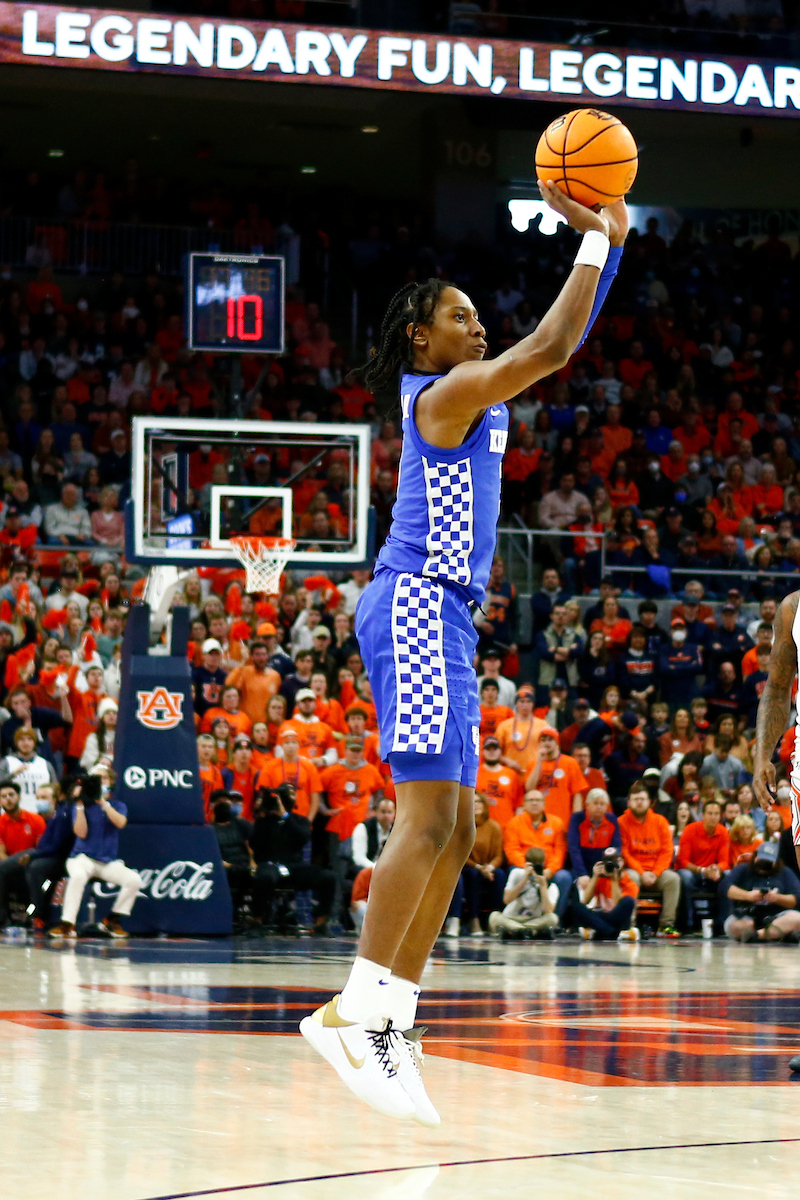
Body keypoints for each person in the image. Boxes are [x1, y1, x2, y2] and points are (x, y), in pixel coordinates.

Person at [299, 187, 628, 1126]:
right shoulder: (441, 398)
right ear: (419, 340)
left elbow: (552, 348)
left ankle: (391, 1011)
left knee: (458, 820)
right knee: (428, 815)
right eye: (458, 315)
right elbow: (552, 349)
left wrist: (607, 253)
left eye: (478, 314)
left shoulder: (470, 386)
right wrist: (597, 248)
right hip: (413, 601)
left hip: (443, 614)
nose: (477, 324)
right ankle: (355, 1009)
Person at [47, 774, 142, 939]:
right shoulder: (81, 806)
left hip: (107, 861)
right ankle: (67, 924)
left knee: (133, 879)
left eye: (105, 779)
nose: (102, 782)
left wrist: (103, 804)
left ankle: (112, 919)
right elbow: (81, 833)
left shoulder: (117, 805)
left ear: (111, 783)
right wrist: (80, 805)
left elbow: (120, 823)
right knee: (77, 877)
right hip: (82, 858)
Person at [250, 785, 336, 936]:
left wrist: (285, 817)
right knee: (264, 878)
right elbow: (255, 844)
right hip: (270, 864)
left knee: (328, 877)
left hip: (294, 866)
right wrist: (261, 813)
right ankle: (257, 921)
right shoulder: (264, 822)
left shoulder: (300, 821)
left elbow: (302, 838)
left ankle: (321, 923)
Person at [618, 782, 681, 938]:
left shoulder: (660, 821)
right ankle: (629, 925)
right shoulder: (621, 822)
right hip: (635, 870)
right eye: (635, 799)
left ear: (650, 802)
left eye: (642, 799)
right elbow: (624, 852)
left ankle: (666, 926)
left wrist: (655, 872)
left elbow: (667, 851)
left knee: (673, 879)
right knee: (630, 877)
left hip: (656, 871)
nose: (639, 802)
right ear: (629, 802)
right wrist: (641, 872)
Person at [445, 793, 505, 937]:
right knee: (472, 875)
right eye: (473, 802)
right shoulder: (461, 826)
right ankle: (474, 919)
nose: (476, 804)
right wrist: (478, 867)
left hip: (488, 867)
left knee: (501, 874)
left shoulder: (494, 826)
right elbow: (459, 853)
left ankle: (494, 919)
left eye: (479, 802)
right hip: (468, 867)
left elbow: (498, 855)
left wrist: (490, 867)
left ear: (484, 805)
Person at [725, 840, 800, 943]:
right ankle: (778, 935)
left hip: (777, 917)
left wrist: (777, 898)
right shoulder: (743, 869)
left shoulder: (785, 872)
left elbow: (795, 899)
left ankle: (758, 936)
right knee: (735, 926)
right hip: (747, 916)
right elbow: (727, 888)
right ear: (755, 857)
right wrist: (748, 895)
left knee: (796, 918)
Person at [676, 798, 730, 932]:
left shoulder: (723, 832)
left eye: (716, 814)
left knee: (728, 875)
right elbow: (683, 861)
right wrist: (702, 870)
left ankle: (722, 924)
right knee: (685, 876)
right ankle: (688, 923)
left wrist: (717, 869)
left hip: (712, 873)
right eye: (710, 813)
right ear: (703, 815)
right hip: (694, 872)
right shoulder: (690, 830)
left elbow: (725, 861)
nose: (713, 817)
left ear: (720, 816)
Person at [0, 780, 46, 930]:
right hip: (10, 869)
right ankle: (3, 919)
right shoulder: (0, 822)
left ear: (19, 797)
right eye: (3, 796)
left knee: (32, 856)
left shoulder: (35, 820)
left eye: (11, 795)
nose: (8, 799)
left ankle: (33, 916)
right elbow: (1, 852)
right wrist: (13, 864)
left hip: (32, 866)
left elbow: (41, 850)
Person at [487, 845, 558, 940]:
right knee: (494, 916)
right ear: (526, 863)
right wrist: (524, 880)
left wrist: (543, 887)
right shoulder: (516, 873)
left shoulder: (550, 886)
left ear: (543, 865)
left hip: (534, 920)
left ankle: (516, 930)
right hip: (512, 918)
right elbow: (506, 900)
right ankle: (530, 931)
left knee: (553, 918)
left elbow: (548, 911)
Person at [524, 725, 587, 827]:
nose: (546, 743)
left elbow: (577, 795)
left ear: (557, 743)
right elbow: (529, 789)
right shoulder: (533, 764)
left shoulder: (570, 763)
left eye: (550, 739)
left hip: (563, 821)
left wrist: (576, 821)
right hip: (538, 822)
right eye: (543, 740)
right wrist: (539, 762)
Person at [574, 847, 640, 942]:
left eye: (614, 861)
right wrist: (595, 876)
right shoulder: (601, 879)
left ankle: (599, 931)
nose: (611, 864)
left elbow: (619, 905)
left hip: (619, 918)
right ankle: (613, 933)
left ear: (621, 862)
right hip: (603, 915)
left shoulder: (630, 884)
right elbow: (586, 900)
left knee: (628, 901)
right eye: (608, 861)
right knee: (578, 907)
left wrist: (614, 879)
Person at [351, 797, 396, 871]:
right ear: (376, 812)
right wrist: (376, 868)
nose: (386, 816)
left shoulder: (398, 829)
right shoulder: (363, 827)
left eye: (389, 812)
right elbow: (358, 858)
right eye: (383, 812)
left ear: (394, 813)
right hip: (366, 869)